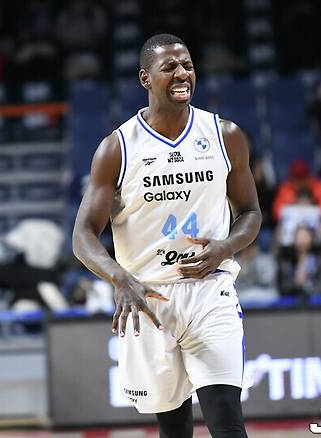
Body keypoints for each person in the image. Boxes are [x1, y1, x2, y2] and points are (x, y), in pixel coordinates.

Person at [72, 34, 261, 438]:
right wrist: (119, 278)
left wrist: (225, 247)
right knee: (174, 428)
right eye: (170, 67)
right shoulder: (118, 148)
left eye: (187, 65)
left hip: (210, 290)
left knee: (227, 420)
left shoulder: (225, 135)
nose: (182, 73)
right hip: (147, 296)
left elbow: (251, 213)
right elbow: (83, 236)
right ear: (146, 78)